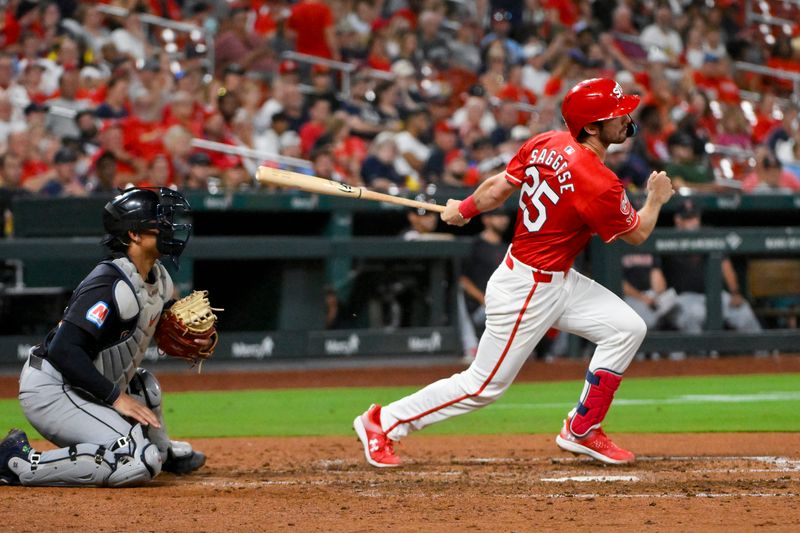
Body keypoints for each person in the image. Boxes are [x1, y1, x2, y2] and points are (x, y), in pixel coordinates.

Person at [353, 78, 675, 467]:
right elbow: (638, 232)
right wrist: (655, 200)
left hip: (555, 279)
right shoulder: (599, 181)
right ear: (591, 126)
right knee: (482, 386)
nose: (626, 118)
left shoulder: (545, 142)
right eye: (615, 114)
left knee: (627, 328)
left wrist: (465, 209)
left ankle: (582, 428)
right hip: (528, 288)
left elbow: (495, 189)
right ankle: (383, 422)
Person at [0, 188, 207, 487]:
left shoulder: (158, 279)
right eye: (159, 221)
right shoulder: (109, 284)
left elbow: (153, 327)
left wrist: (194, 339)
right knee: (137, 460)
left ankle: (164, 451)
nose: (168, 228)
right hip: (53, 391)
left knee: (145, 387)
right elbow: (64, 350)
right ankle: (18, 462)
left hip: (83, 386)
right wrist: (115, 398)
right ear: (134, 235)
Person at [659, 199, 762, 335]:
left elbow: (726, 266)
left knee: (743, 313)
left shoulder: (709, 234)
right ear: (678, 220)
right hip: (684, 298)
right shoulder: (668, 239)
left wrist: (735, 292)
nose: (693, 222)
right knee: (694, 316)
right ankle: (700, 356)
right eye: (688, 218)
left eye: (695, 217)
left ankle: (762, 353)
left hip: (715, 295)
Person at [458, 210, 511, 363]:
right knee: (457, 293)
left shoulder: (509, 248)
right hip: (479, 308)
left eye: (504, 215)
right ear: (486, 220)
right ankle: (470, 346)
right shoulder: (474, 245)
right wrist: (485, 299)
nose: (503, 219)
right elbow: (462, 280)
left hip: (505, 306)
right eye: (498, 215)